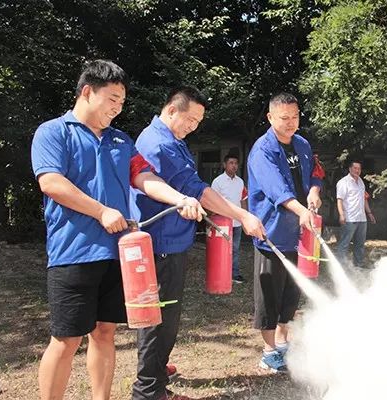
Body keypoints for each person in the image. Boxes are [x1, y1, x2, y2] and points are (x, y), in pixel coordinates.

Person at [31, 60, 203, 400]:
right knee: (66, 339)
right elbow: (51, 182)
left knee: (105, 331)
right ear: (86, 92)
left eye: (122, 102)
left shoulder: (120, 140)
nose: (118, 107)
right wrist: (101, 211)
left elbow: (144, 177)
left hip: (117, 252)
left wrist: (180, 197)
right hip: (73, 252)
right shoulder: (53, 132)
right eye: (112, 98)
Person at [131, 86, 265, 400]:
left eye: (198, 121)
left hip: (172, 241)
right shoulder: (158, 143)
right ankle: (147, 392)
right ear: (171, 110)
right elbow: (198, 190)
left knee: (169, 316)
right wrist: (241, 216)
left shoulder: (174, 142)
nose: (193, 125)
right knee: (157, 320)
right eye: (190, 118)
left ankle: (157, 372)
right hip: (158, 243)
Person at [247, 92, 323, 373]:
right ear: (270, 117)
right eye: (284, 118)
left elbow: (315, 174)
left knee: (292, 292)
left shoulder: (302, 144)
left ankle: (282, 341)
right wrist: (302, 211)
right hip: (272, 232)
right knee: (270, 291)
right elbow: (276, 188)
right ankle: (268, 351)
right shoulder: (262, 150)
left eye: (295, 116)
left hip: (299, 235)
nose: (291, 123)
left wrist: (314, 192)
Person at [211, 153, 249, 283]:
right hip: (222, 222)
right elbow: (212, 201)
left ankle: (234, 274)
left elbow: (243, 200)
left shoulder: (240, 182)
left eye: (236, 163)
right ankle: (220, 273)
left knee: (235, 249)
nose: (234, 166)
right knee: (220, 249)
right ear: (224, 165)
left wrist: (245, 217)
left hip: (237, 222)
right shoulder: (217, 181)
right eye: (231, 163)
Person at [335, 160, 376, 268]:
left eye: (359, 169)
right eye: (355, 168)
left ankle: (359, 265)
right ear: (350, 169)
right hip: (349, 218)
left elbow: (364, 198)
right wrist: (341, 214)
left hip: (362, 218)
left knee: (360, 245)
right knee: (344, 244)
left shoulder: (361, 182)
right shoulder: (343, 182)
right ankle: (340, 267)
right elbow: (339, 200)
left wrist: (369, 213)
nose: (357, 171)